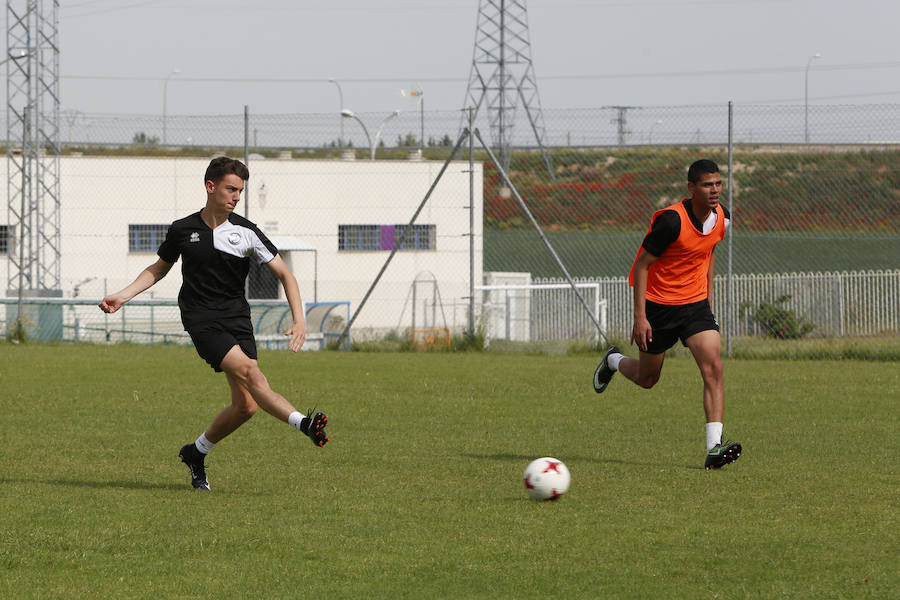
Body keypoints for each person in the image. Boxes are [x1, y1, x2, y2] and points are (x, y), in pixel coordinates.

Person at [99, 156, 328, 491]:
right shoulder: (183, 229)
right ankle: (304, 423)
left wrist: (299, 319)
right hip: (201, 319)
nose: (236, 196)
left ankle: (195, 452)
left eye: (240, 191)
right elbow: (158, 268)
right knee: (253, 376)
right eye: (231, 189)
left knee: (246, 405)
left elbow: (286, 275)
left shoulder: (247, 232)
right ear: (211, 186)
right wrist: (123, 295)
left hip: (237, 319)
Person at [592, 159, 741, 470]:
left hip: (695, 306)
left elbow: (709, 250)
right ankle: (613, 361)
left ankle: (714, 449)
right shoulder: (671, 222)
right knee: (648, 379)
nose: (714, 190)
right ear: (691, 188)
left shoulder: (723, 218)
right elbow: (641, 266)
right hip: (658, 307)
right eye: (706, 185)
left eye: (717, 184)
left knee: (714, 367)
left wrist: (707, 298)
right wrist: (640, 317)